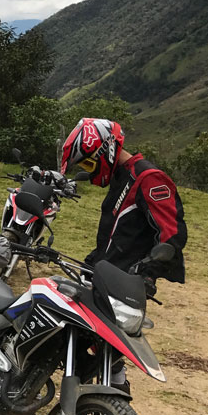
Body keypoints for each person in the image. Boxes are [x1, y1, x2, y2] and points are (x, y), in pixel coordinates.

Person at [60, 117, 188, 393]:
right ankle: (81, 407)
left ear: (105, 150)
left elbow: (172, 234)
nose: (90, 174)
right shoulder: (122, 178)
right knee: (84, 339)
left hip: (126, 282)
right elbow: (117, 236)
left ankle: (113, 403)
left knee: (109, 347)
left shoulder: (149, 178)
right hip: (104, 274)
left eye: (88, 164)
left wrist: (148, 272)